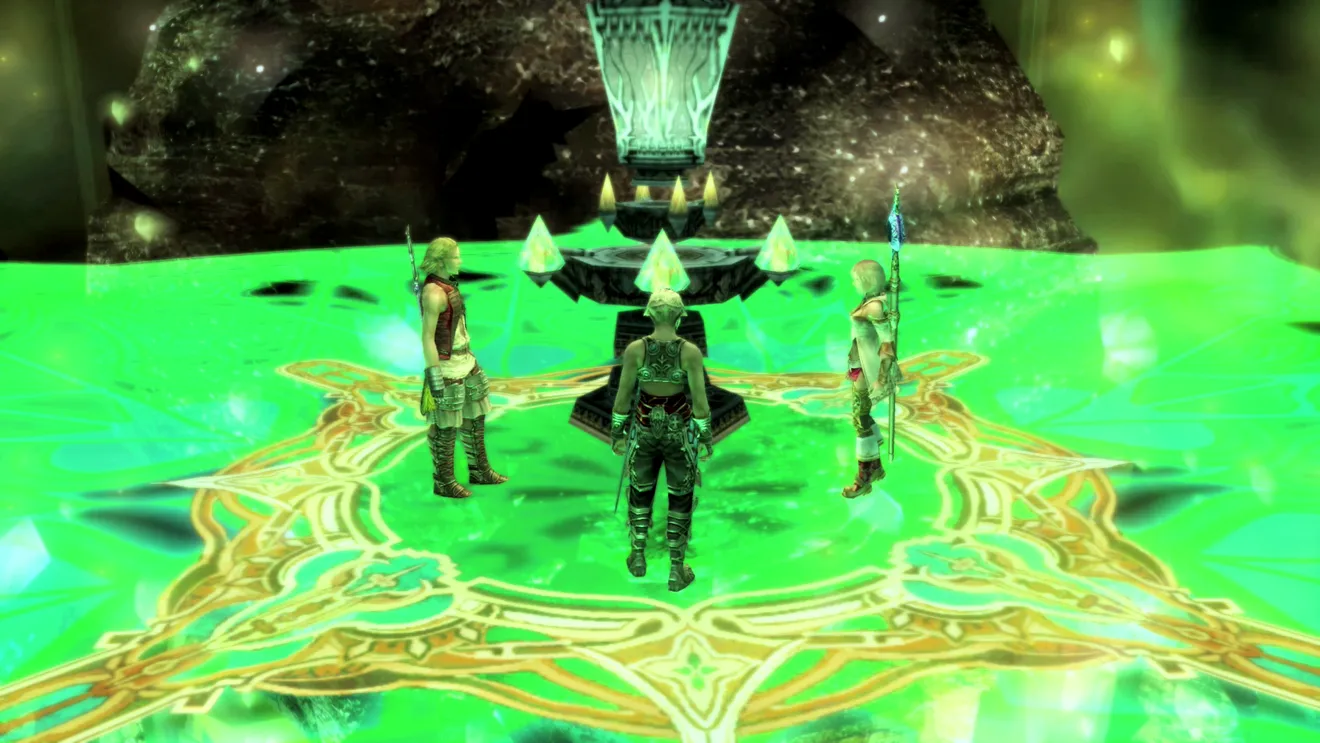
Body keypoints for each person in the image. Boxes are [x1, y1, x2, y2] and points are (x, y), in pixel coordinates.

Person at [610, 289, 713, 592]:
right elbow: (700, 404)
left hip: (642, 432)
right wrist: (706, 437)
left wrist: (617, 433)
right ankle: (676, 571)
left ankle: (638, 557)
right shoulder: (690, 352)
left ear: (650, 314)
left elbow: (623, 398)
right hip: (679, 434)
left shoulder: (635, 350)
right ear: (680, 316)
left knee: (640, 491)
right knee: (680, 496)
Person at [418, 237, 507, 498]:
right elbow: (427, 337)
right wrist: (434, 375)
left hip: (466, 361)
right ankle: (444, 481)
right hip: (447, 368)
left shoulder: (447, 287)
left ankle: (480, 471)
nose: (460, 261)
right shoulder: (434, 293)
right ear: (441, 260)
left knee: (475, 418)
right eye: (456, 256)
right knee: (445, 428)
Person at [842, 259, 899, 498]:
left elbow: (887, 344)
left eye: (856, 279)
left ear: (866, 280)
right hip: (859, 366)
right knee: (860, 416)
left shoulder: (874, 306)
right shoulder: (870, 301)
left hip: (869, 370)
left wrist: (882, 378)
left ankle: (865, 477)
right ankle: (874, 466)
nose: (853, 283)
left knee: (860, 419)